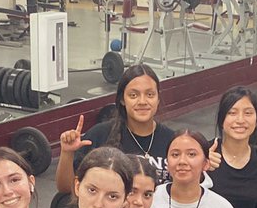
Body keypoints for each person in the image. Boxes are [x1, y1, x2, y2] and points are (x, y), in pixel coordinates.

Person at [56, 64, 176, 192]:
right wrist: (67, 153)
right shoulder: (99, 136)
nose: (142, 101)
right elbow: (66, 189)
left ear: (158, 99)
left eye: (150, 94)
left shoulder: (172, 141)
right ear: (122, 100)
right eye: (133, 95)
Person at [151, 129, 235, 208]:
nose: (182, 161)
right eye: (175, 154)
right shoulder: (150, 198)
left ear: (206, 163)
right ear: (167, 163)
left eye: (191, 154)